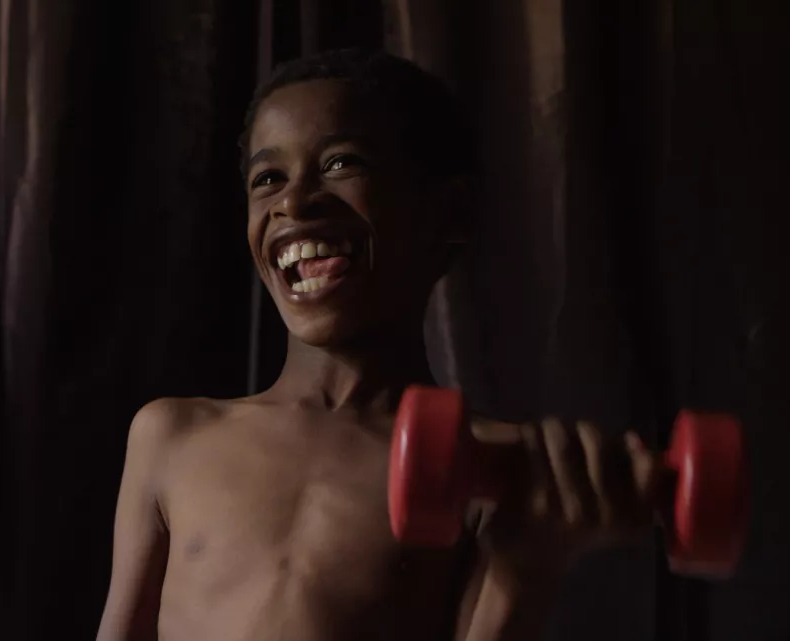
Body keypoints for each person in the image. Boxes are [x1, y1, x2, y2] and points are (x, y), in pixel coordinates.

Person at [96, 48, 658, 641]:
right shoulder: (172, 436)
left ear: (450, 214)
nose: (293, 201)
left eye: (342, 163)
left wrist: (525, 574)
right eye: (268, 179)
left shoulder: (486, 467)